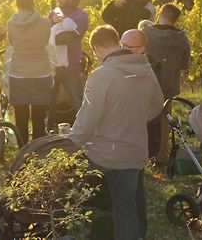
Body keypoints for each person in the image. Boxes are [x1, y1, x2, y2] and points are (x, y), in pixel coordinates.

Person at [68, 25, 163, 240]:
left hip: (102, 155)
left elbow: (87, 119)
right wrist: (133, 119)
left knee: (75, 196)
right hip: (134, 153)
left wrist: (70, 145)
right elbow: (156, 105)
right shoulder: (146, 70)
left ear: (97, 49)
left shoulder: (101, 75)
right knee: (126, 208)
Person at [120, 28, 163, 240]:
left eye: (129, 47)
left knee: (134, 187)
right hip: (126, 138)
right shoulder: (125, 65)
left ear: (142, 49)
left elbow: (155, 105)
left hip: (137, 139)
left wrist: (135, 119)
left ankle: (138, 231)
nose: (123, 50)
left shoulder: (146, 70)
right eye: (122, 46)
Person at [140, 3, 191, 164]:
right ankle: (161, 155)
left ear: (160, 13)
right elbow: (184, 65)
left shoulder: (146, 33)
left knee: (144, 118)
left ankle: (143, 154)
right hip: (170, 84)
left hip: (147, 83)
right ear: (176, 19)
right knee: (164, 121)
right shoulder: (182, 38)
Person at [7, 0, 52, 144]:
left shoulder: (11, 23)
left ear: (17, 4)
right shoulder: (45, 22)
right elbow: (45, 41)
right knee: (39, 117)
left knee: (21, 116)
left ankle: (23, 151)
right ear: (33, 3)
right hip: (41, 72)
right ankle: (38, 150)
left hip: (19, 72)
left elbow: (12, 42)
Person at [47, 0, 88, 131]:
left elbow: (73, 37)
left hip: (71, 63)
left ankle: (82, 130)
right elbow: (45, 35)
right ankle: (48, 131)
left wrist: (54, 35)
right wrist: (52, 24)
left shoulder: (80, 15)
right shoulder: (53, 13)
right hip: (53, 63)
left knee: (77, 100)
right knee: (49, 100)